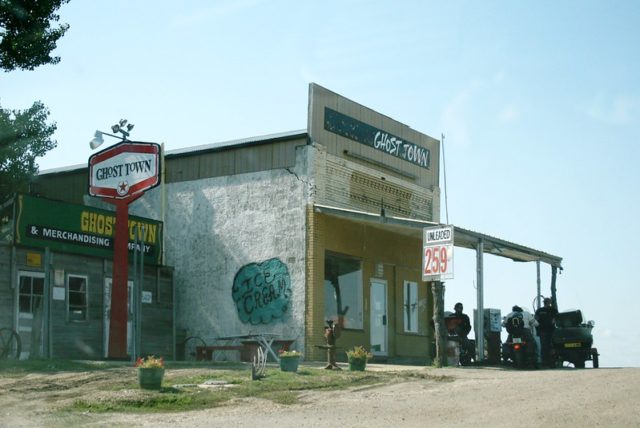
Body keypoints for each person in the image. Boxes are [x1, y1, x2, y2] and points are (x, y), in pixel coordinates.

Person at [535, 297, 558, 367]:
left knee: (544, 347)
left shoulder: (539, 310)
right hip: (551, 330)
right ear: (549, 302)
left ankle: (545, 363)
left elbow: (536, 319)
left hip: (542, 331)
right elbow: (556, 320)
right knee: (552, 346)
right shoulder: (553, 310)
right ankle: (552, 363)